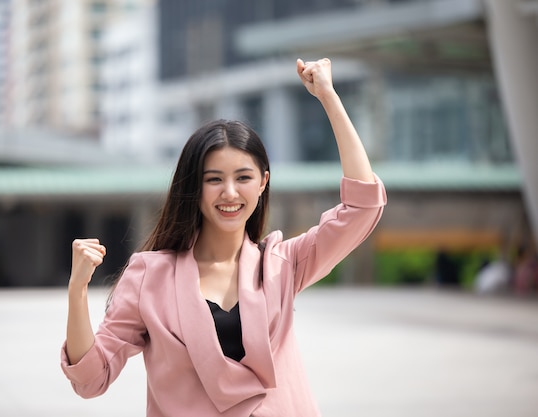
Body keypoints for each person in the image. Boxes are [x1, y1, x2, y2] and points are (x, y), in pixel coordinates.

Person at [61, 58, 387, 416]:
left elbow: (362, 209)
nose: (229, 193)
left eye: (243, 178)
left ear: (263, 182)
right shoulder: (148, 276)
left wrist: (328, 96)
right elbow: (91, 378)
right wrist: (77, 290)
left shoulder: (282, 265)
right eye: (214, 179)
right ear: (193, 187)